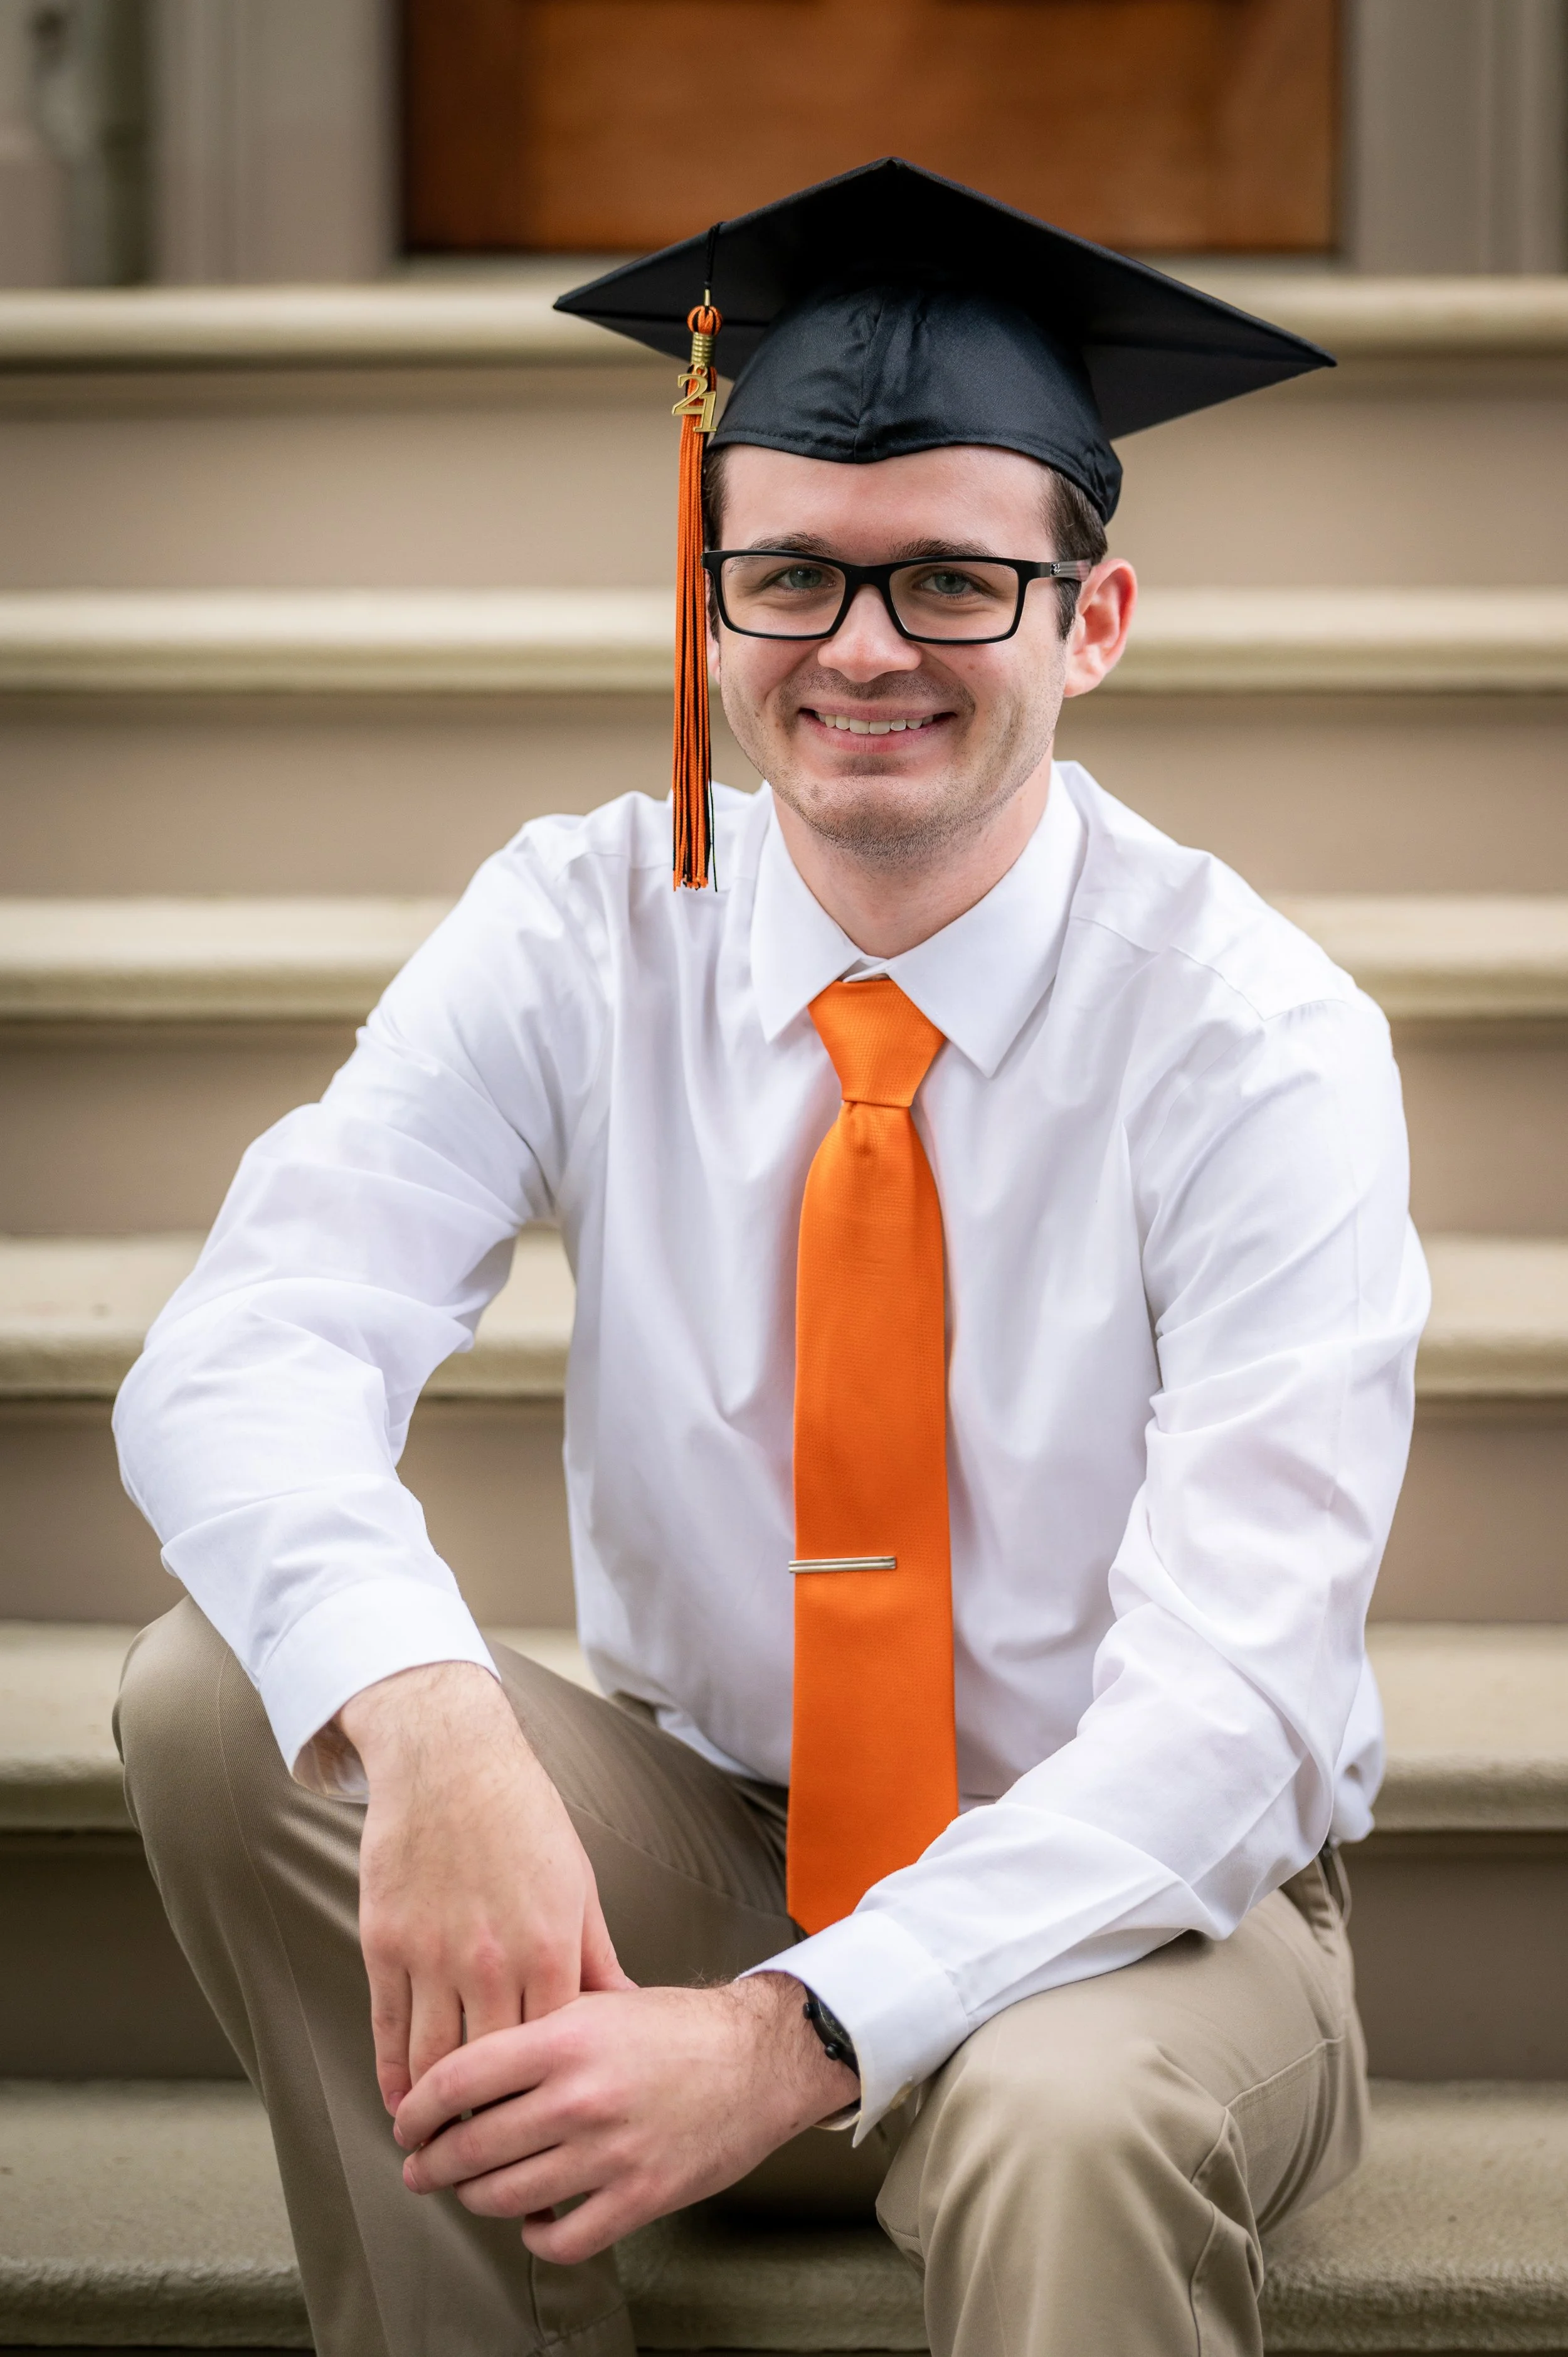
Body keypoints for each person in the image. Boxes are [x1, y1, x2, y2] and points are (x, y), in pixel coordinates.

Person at [114, 159, 1428, 2357]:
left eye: (953, 584)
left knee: (1062, 2120)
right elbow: (242, 1350)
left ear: (1091, 621)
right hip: (712, 1823)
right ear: (708, 604)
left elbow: (1228, 1712)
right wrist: (431, 1718)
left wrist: (791, 2034)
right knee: (230, 1688)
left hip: (1137, 1907)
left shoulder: (1253, 1037)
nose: (864, 648)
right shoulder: (576, 922)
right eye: (793, 576)